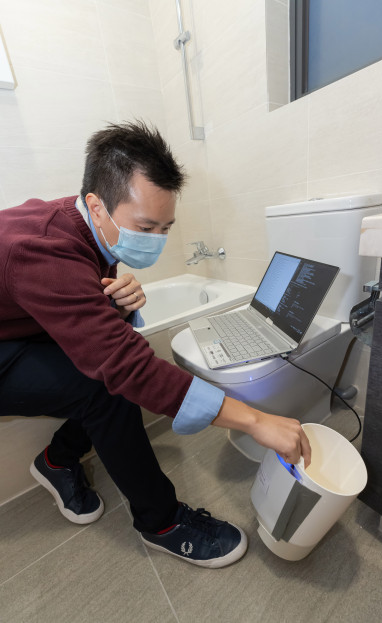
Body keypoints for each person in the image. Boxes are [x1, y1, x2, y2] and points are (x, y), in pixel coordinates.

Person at [0, 121, 311, 569]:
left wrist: (117, 305)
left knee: (107, 375)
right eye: (145, 227)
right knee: (108, 388)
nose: (156, 242)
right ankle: (161, 523)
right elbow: (122, 363)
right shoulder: (44, 248)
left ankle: (57, 459)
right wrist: (254, 419)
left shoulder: (83, 228)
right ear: (97, 205)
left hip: (14, 327)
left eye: (165, 228)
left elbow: (89, 325)